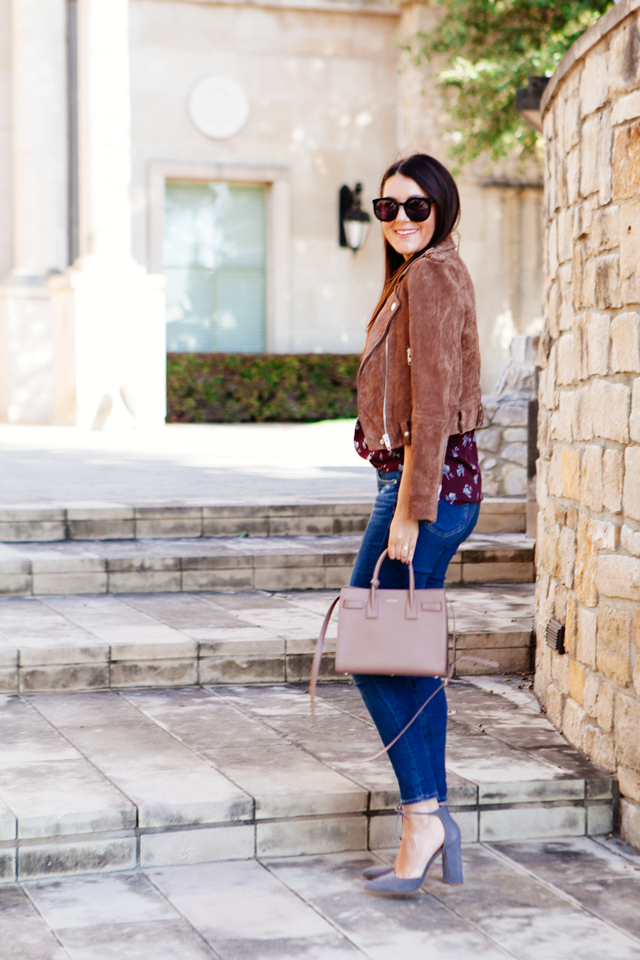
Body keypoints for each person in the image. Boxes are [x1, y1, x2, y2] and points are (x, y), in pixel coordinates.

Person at [351, 153, 483, 894]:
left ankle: (422, 818)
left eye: (416, 207)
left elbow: (431, 406)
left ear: (443, 208)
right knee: (407, 655)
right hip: (432, 491)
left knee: (374, 648)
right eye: (387, 208)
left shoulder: (431, 275)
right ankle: (428, 819)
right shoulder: (427, 273)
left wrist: (409, 510)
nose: (401, 219)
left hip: (420, 493)